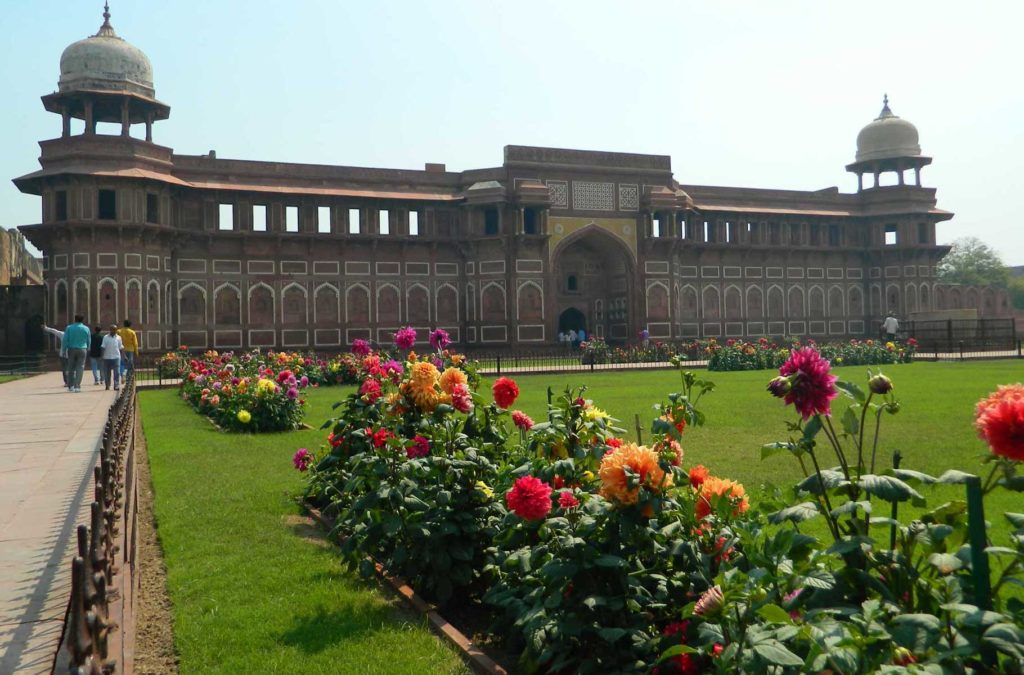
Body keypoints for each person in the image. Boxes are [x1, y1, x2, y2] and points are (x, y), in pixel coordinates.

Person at [63, 315, 91, 392]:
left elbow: (65, 340)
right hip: (82, 349)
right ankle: (77, 386)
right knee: (80, 367)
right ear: (82, 320)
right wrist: (88, 348)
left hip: (71, 349)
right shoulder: (86, 328)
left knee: (71, 367)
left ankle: (71, 386)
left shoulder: (69, 328)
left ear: (74, 319)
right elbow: (89, 340)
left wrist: (63, 350)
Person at [41, 323, 69, 388]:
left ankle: (67, 382)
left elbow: (54, 331)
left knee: (65, 369)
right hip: (71, 354)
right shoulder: (73, 335)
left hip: (63, 354)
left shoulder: (63, 334)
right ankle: (72, 381)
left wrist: (46, 328)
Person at [101, 324, 124, 391]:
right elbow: (103, 347)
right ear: (110, 330)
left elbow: (121, 347)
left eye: (115, 329)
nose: (113, 331)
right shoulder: (105, 337)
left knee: (117, 372)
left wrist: (124, 356)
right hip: (107, 357)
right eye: (112, 329)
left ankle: (116, 385)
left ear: (116, 330)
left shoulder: (119, 338)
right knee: (107, 373)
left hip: (116, 357)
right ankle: (107, 385)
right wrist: (102, 356)